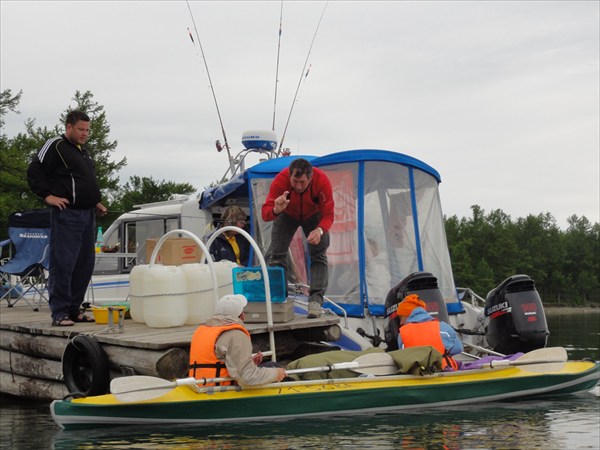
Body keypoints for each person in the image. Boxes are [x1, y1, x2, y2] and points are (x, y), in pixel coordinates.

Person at [27, 110, 107, 326]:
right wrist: (47, 196)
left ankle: (74, 309)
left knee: (84, 265)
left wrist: (95, 202)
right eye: (81, 129)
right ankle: (60, 313)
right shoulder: (56, 145)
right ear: (69, 127)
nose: (84, 134)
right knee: (64, 263)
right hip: (67, 214)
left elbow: (83, 182)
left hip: (88, 214)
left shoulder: (83, 151)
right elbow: (34, 170)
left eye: (87, 130)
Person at [261, 158, 334, 318]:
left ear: (310, 177)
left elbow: (328, 213)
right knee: (276, 255)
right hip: (286, 214)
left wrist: (320, 230)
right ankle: (279, 300)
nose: (298, 186)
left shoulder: (322, 181)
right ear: (289, 176)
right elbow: (265, 215)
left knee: (319, 255)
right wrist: (275, 209)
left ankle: (315, 301)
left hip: (314, 215)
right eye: (295, 181)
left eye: (302, 182)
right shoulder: (280, 180)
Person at [189, 294, 287, 386]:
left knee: (270, 365)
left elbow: (216, 361)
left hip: (200, 385)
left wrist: (249, 363)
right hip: (220, 390)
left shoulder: (202, 330)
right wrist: (276, 373)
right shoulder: (235, 334)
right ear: (241, 316)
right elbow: (247, 377)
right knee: (275, 368)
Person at [396, 294, 463, 370]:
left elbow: (404, 357)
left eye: (401, 317)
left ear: (408, 315)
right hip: (445, 371)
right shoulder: (443, 327)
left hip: (418, 375)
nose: (401, 322)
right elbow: (458, 349)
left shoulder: (403, 333)